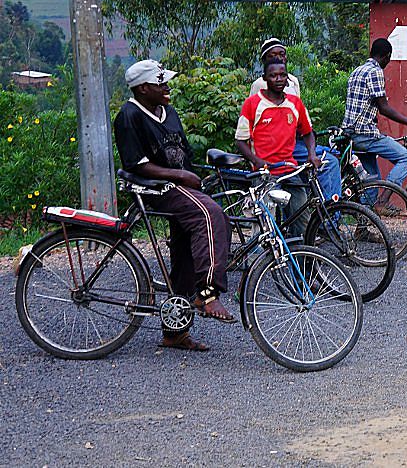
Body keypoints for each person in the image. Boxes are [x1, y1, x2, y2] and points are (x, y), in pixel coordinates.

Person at [113, 59, 236, 352]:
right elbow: (137, 164)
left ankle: (174, 333)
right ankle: (207, 293)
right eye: (161, 83)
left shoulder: (169, 112)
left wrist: (194, 176)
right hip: (156, 188)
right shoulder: (128, 116)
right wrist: (180, 175)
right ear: (143, 88)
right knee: (211, 215)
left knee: (185, 256)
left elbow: (183, 152)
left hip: (179, 187)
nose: (167, 87)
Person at [342, 38, 407, 215]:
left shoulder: (356, 72)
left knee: (372, 181)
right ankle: (382, 202)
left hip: (350, 135)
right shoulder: (375, 72)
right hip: (365, 135)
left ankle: (363, 228)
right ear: (386, 56)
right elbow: (384, 108)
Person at [235, 58, 320, 237]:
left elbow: (308, 132)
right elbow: (240, 141)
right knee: (266, 227)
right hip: (265, 173)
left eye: (282, 75)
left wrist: (311, 154)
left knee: (302, 219)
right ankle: (258, 262)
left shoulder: (295, 103)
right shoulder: (252, 104)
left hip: (290, 169)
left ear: (287, 78)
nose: (278, 79)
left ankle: (302, 262)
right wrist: (256, 161)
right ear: (265, 78)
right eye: (273, 76)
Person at [249, 38, 342, 201]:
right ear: (265, 60)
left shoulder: (292, 82)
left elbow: (301, 121)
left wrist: (311, 152)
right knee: (272, 197)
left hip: (294, 145)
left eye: (282, 54)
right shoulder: (259, 85)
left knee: (330, 161)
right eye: (272, 55)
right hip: (271, 149)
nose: (278, 58)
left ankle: (328, 218)